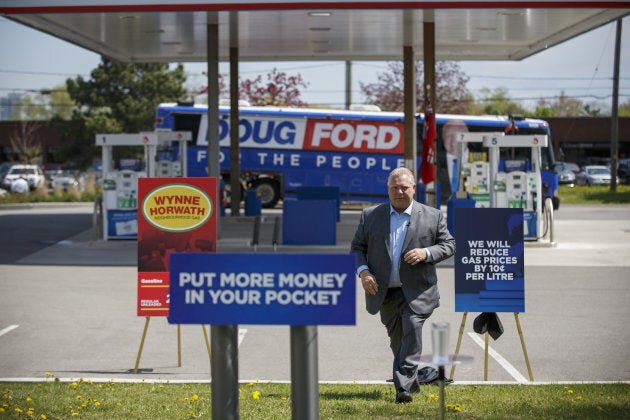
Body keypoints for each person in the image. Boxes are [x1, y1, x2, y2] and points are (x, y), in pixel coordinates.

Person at [350, 167, 455, 403]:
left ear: (413, 189)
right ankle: (413, 378)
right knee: (398, 340)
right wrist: (364, 272)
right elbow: (357, 248)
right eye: (395, 187)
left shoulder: (433, 215)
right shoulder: (370, 216)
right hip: (384, 292)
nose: (400, 192)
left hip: (418, 291)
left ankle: (403, 389)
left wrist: (427, 252)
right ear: (388, 190)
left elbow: (449, 245)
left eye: (404, 187)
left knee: (411, 328)